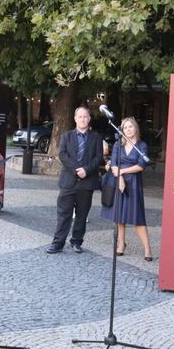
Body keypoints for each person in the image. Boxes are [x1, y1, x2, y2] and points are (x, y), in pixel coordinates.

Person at [46, 107, 104, 254]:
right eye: (80, 116)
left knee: (82, 214)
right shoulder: (67, 136)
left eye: (85, 116)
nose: (83, 119)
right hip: (69, 181)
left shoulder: (96, 137)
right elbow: (63, 155)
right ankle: (58, 243)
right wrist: (77, 169)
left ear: (89, 119)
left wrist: (86, 170)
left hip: (87, 181)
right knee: (63, 213)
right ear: (75, 118)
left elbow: (99, 158)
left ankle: (77, 241)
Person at [101, 117, 153, 261]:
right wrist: (120, 178)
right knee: (119, 216)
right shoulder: (118, 145)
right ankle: (121, 244)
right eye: (125, 128)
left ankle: (147, 248)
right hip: (119, 181)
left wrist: (123, 172)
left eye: (130, 127)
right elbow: (114, 164)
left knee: (138, 218)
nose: (128, 130)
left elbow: (141, 166)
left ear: (135, 128)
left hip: (134, 182)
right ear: (122, 131)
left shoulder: (142, 146)